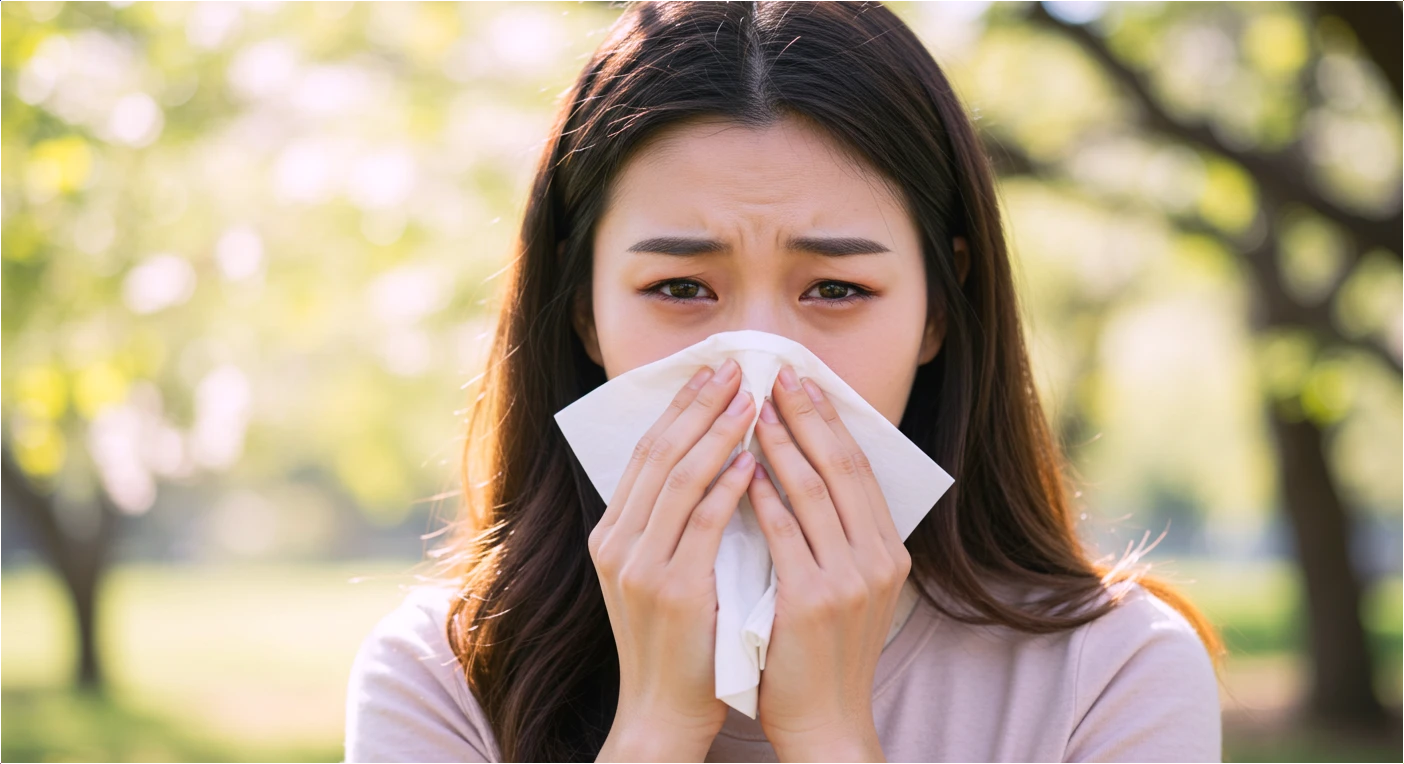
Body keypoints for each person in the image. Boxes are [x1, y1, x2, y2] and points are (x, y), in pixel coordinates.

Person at [344, 2, 1224, 762]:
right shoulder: (443, 679)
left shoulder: (1111, 673)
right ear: (583, 312)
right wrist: (656, 725)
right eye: (680, 289)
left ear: (937, 312)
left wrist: (832, 734)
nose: (756, 366)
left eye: (836, 289)